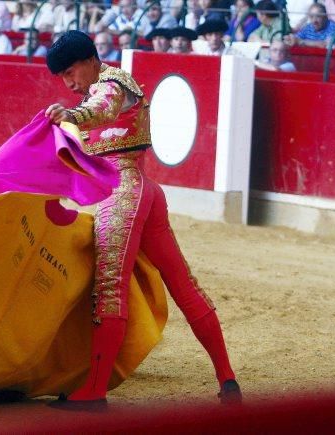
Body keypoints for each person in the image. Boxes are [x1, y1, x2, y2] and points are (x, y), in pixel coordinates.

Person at [43, 30, 242, 405]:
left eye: (71, 72)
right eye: (62, 77)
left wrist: (72, 115)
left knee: (109, 286)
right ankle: (227, 378)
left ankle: (95, 391)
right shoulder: (99, 88)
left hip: (124, 192)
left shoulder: (113, 83)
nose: (69, 82)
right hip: (143, 193)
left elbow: (102, 107)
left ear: (90, 59)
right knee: (182, 283)